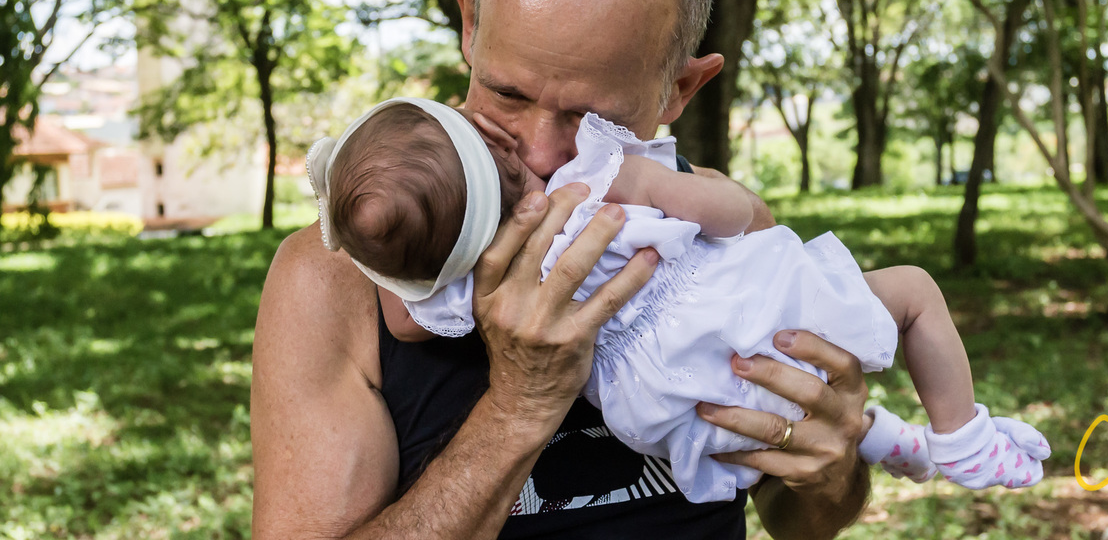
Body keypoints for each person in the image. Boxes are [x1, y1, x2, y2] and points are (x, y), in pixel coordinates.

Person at [251, 0, 873, 540]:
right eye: (507, 94)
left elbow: (803, 522)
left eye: (590, 116)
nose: (542, 152)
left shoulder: (716, 225)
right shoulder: (339, 280)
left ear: (681, 88)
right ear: (469, 21)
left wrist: (830, 469)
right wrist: (520, 404)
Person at [307, 99, 1051, 504]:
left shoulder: (470, 288)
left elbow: (405, 317)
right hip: (753, 320)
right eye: (504, 104)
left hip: (666, 409)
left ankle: (897, 442)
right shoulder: (604, 181)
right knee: (915, 292)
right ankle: (961, 437)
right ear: (492, 149)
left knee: (796, 422)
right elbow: (736, 217)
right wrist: (689, 188)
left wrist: (375, 238)